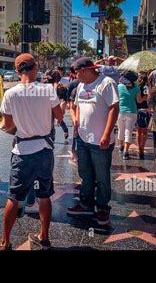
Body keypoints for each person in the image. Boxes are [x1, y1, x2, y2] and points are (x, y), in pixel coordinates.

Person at [0, 53, 63, 250]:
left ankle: (5, 241)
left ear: (18, 72)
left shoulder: (10, 94)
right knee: (44, 195)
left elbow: (8, 126)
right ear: (35, 68)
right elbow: (59, 116)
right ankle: (44, 237)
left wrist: (21, 124)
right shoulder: (47, 91)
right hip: (44, 150)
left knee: (14, 197)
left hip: (22, 152)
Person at [67, 57, 119, 226]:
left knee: (102, 177)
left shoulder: (107, 83)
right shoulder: (81, 85)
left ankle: (103, 209)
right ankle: (86, 204)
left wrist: (106, 134)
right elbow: (76, 106)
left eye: (76, 73)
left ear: (85, 71)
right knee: (85, 175)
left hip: (101, 141)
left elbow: (114, 108)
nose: (75, 77)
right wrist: (76, 121)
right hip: (83, 139)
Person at [117, 71, 145, 160]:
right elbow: (139, 101)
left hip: (120, 111)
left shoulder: (119, 86)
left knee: (120, 130)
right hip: (132, 112)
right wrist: (145, 97)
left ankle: (121, 146)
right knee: (128, 131)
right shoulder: (136, 87)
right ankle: (126, 152)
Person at [136, 73, 150, 159]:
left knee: (138, 131)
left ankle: (139, 148)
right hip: (145, 110)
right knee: (144, 131)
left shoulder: (136, 87)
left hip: (137, 109)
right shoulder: (146, 87)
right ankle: (142, 147)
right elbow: (145, 98)